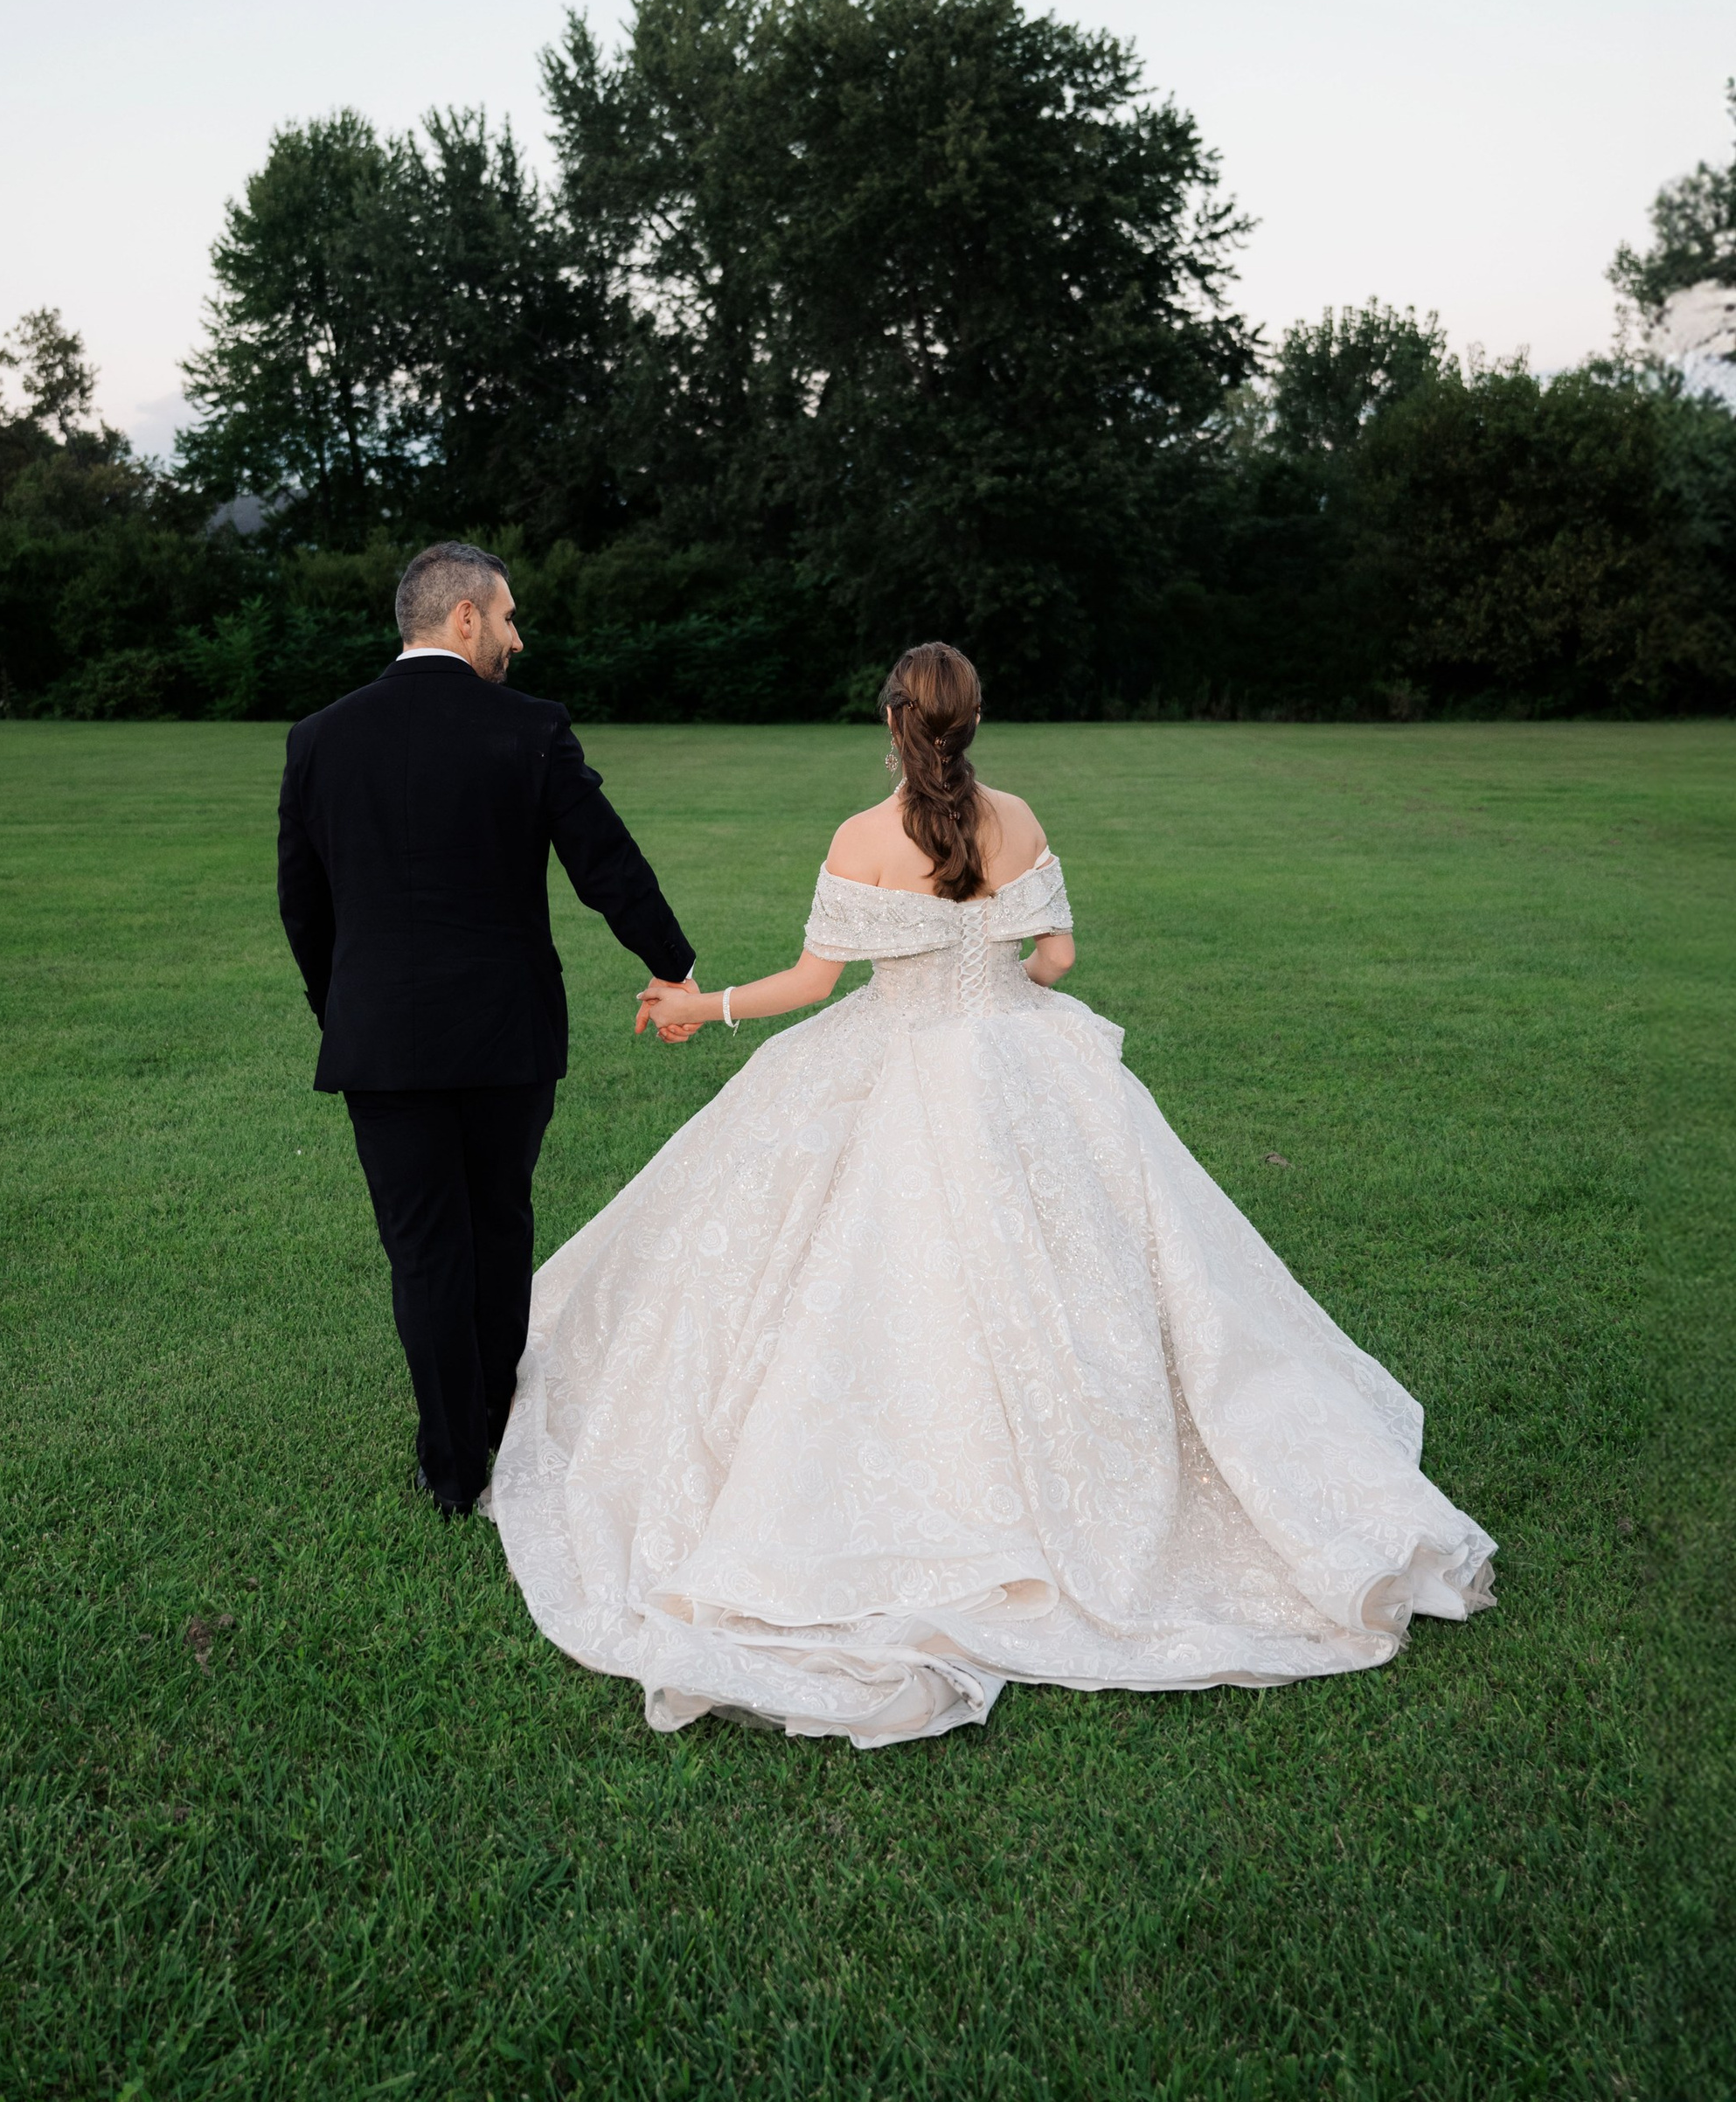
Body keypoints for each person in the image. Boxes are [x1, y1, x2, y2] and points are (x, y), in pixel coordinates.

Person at [488, 639, 1496, 1747]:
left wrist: (703, 1007)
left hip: (898, 1053)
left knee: (863, 1275)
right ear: (969, 723)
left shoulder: (862, 838)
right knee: (1095, 1271)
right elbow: (1055, 961)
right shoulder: (1018, 817)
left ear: (891, 721)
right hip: (1022, 1063)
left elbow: (814, 982)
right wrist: (994, 982)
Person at [277, 540, 696, 1521]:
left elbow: (305, 905)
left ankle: (451, 1467)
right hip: (506, 1036)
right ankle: (497, 1427)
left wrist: (343, 1008)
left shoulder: (320, 738)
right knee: (499, 1231)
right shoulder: (530, 728)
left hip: (380, 1040)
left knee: (425, 1251)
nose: (517, 636)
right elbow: (607, 862)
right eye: (508, 617)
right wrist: (670, 962)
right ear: (463, 617)